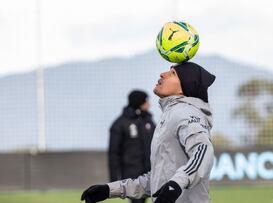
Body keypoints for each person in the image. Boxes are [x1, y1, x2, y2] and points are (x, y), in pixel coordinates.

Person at [81, 62, 216, 203]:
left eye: (173, 73)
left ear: (185, 86)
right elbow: (158, 180)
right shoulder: (170, 115)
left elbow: (204, 151)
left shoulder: (185, 113)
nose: (163, 74)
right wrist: (110, 190)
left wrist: (176, 184)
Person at [108, 90, 155, 203]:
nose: (149, 104)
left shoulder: (148, 121)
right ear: (139, 103)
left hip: (150, 173)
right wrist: (114, 180)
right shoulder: (120, 124)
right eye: (146, 101)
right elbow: (113, 153)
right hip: (132, 175)